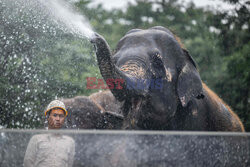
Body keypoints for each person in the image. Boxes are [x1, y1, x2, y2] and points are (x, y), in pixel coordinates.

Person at [24, 100, 75, 167]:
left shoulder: (69, 142)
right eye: (55, 115)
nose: (58, 119)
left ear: (64, 119)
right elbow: (27, 163)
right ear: (48, 117)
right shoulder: (36, 139)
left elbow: (69, 164)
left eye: (61, 116)